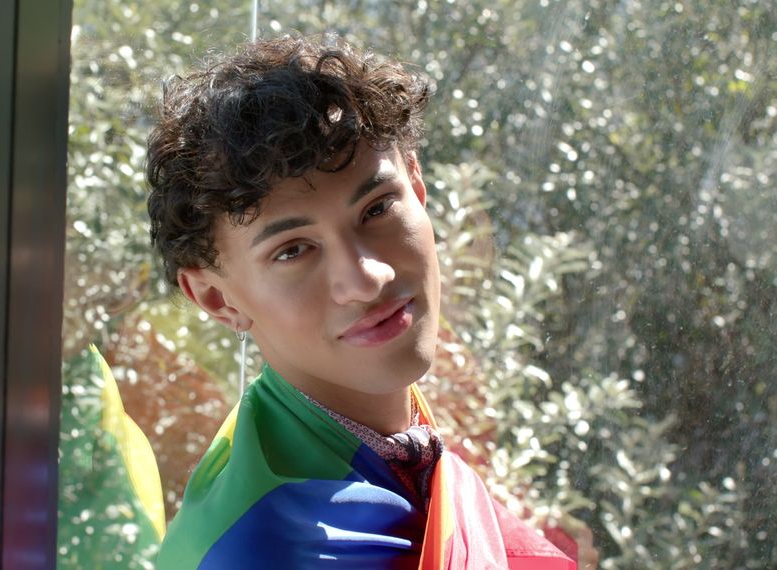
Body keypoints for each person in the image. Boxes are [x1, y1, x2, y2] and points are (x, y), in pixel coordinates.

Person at [145, 35, 576, 568]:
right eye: (294, 250)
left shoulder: (362, 438)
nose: (367, 278)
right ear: (216, 297)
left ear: (417, 188)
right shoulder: (279, 547)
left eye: (376, 209)